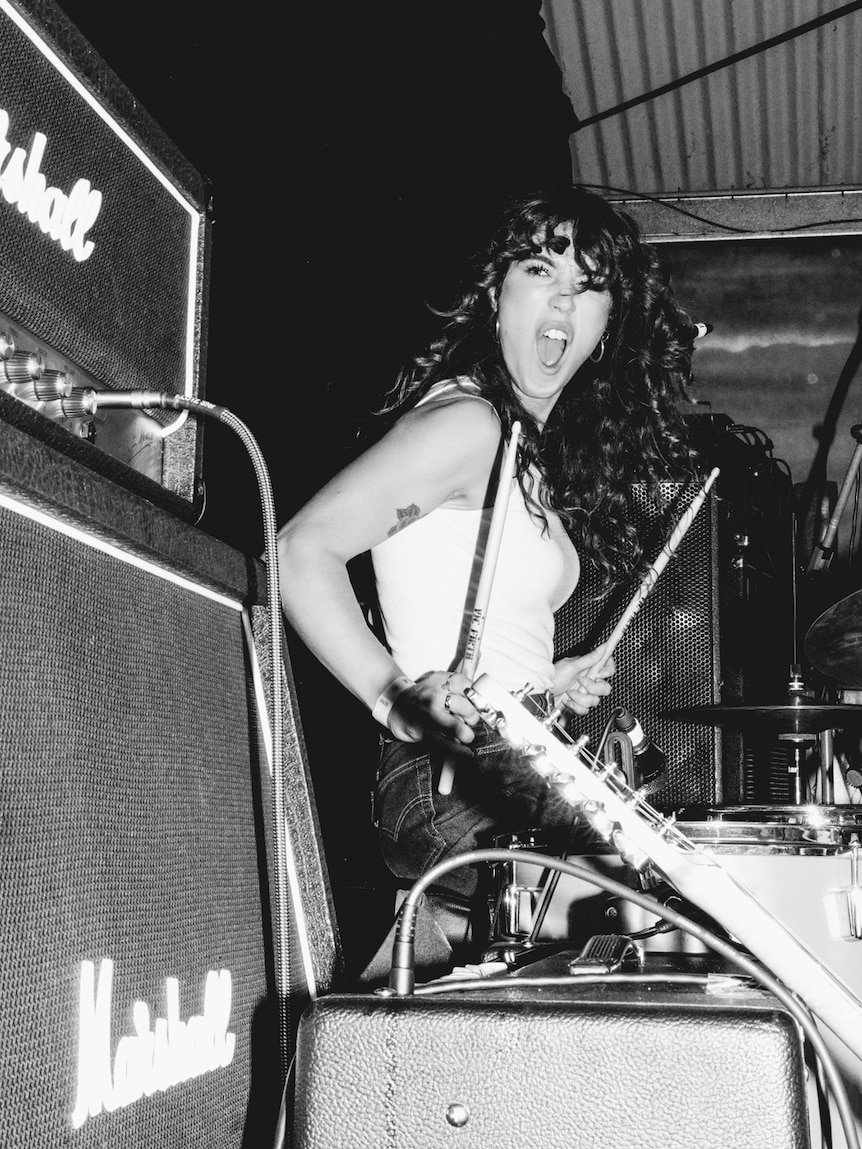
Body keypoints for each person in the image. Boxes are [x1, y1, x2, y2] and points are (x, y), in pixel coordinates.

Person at [278, 185, 697, 954]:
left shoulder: (521, 449)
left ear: (606, 327)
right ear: (496, 299)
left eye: (588, 285)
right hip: (451, 778)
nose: (563, 301)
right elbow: (301, 551)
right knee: (670, 908)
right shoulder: (470, 422)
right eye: (540, 271)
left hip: (511, 756)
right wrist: (396, 699)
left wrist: (549, 681)